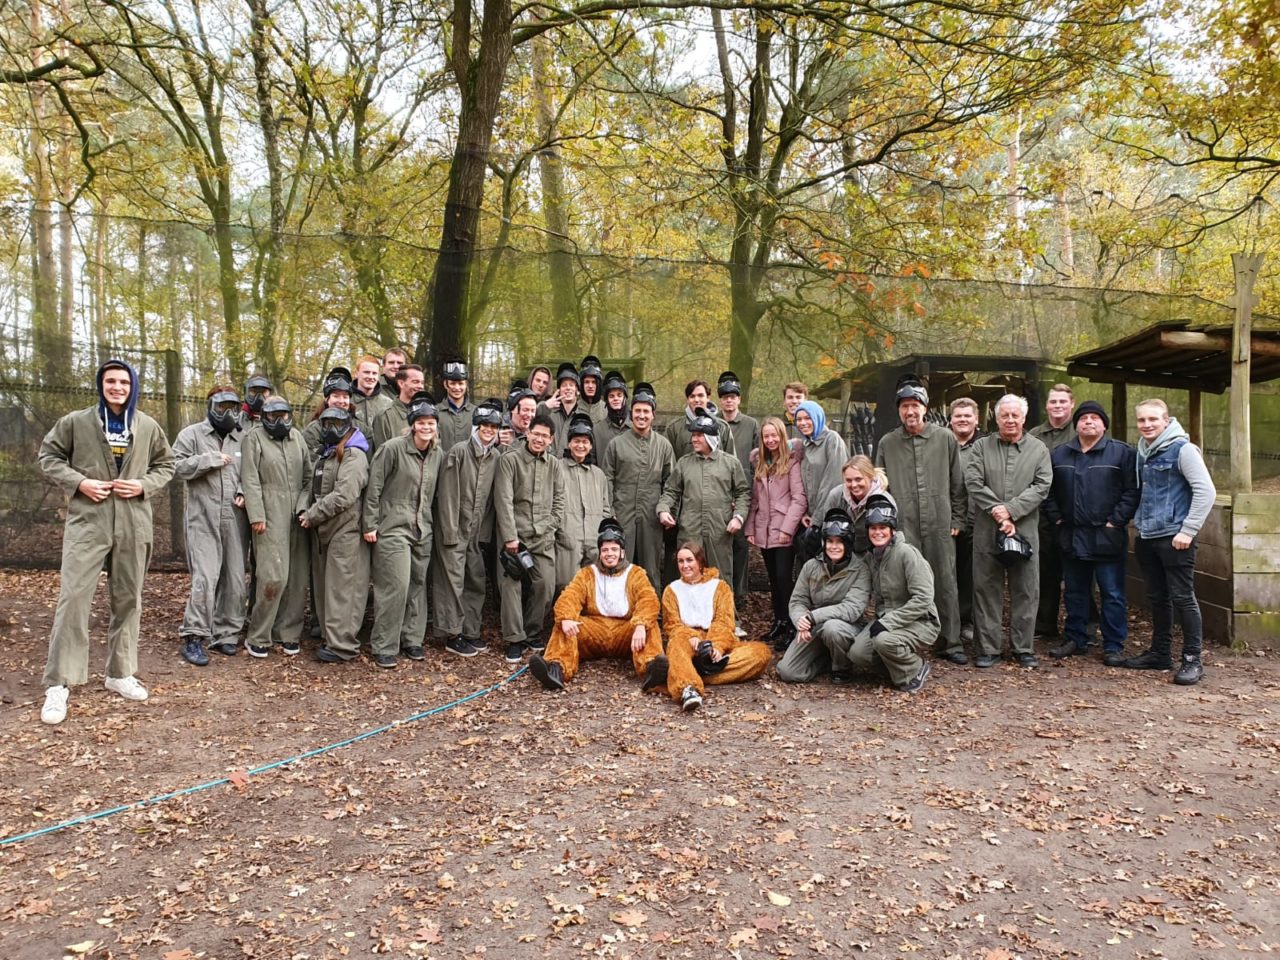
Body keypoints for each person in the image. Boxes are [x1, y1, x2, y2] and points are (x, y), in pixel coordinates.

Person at [39, 359, 175, 725]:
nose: (117, 387)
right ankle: (59, 683)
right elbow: (48, 456)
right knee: (74, 598)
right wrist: (80, 482)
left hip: (133, 522)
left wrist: (144, 484)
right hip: (88, 521)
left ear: (133, 387)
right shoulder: (76, 422)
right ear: (101, 384)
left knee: (128, 598)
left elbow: (167, 464)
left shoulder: (146, 425)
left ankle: (120, 673)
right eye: (111, 381)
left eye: (124, 382)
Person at [1122, 399, 1217, 685]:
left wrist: (1188, 530)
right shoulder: (1143, 451)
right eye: (1142, 420)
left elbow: (1206, 491)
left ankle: (1192, 659)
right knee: (1157, 597)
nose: (1147, 425)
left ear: (1166, 420)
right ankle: (1160, 653)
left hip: (1175, 538)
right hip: (1148, 536)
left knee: (1183, 597)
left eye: (1153, 419)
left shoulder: (1183, 450)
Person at [874, 382, 966, 664]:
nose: (910, 411)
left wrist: (958, 518)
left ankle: (950, 642)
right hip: (903, 526)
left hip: (940, 522)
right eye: (905, 407)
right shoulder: (888, 443)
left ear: (925, 408)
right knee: (903, 584)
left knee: (945, 581)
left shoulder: (945, 438)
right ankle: (903, 641)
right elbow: (879, 490)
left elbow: (958, 483)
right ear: (899, 411)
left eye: (915, 406)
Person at [1042, 400, 1138, 666]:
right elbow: (1048, 492)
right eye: (1084, 418)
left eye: (1095, 418)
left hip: (1107, 536)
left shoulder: (1121, 453)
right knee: (1074, 591)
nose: (1089, 422)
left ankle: (1113, 644)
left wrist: (1116, 521)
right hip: (1071, 535)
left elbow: (1132, 491)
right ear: (1077, 424)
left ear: (1104, 425)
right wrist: (1058, 519)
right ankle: (1075, 638)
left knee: (1112, 593)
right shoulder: (1060, 455)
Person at [965, 394, 1053, 668]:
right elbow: (973, 481)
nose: (1010, 420)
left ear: (1024, 418)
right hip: (986, 530)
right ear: (996, 417)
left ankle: (1022, 648)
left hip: (1025, 528)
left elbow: (1042, 485)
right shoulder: (981, 447)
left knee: (1026, 589)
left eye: (1016, 415)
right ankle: (988, 648)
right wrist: (997, 511)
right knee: (986, 588)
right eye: (1005, 415)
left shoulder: (1038, 449)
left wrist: (1012, 510)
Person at [527, 518, 665, 690]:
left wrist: (640, 625)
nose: (609, 554)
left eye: (614, 549)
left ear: (622, 552)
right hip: (595, 630)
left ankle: (651, 668)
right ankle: (557, 669)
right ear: (600, 553)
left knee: (650, 626)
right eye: (605, 550)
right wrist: (565, 618)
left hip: (626, 631)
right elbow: (570, 596)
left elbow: (649, 600)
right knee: (564, 623)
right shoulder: (587, 574)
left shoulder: (636, 573)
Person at [363, 393, 443, 668]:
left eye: (431, 422)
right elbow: (374, 488)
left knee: (418, 585)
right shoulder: (392, 449)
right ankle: (385, 644)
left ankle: (412, 640)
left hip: (423, 528)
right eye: (421, 422)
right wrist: (370, 524)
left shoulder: (437, 454)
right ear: (412, 425)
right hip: (392, 526)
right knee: (395, 585)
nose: (426, 427)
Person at [172, 385, 250, 665]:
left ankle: (225, 635)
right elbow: (174, 466)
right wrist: (208, 460)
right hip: (202, 516)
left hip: (234, 517)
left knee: (234, 580)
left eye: (232, 408)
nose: (227, 414)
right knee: (205, 577)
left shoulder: (242, 437)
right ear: (210, 407)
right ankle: (193, 636)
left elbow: (251, 471)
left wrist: (244, 490)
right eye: (221, 408)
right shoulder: (192, 434)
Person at [657, 542, 772, 711]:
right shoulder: (671, 590)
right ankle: (688, 688)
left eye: (690, 560)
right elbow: (672, 625)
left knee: (760, 653)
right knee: (676, 644)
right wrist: (690, 636)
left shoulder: (719, 587)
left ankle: (682, 671)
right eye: (681, 561)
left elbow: (724, 622)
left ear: (700, 561)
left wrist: (716, 646)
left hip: (714, 640)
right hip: (687, 640)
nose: (685, 565)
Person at [298, 406, 371, 663]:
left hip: (346, 529)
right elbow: (311, 486)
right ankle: (331, 637)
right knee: (328, 587)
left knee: (344, 590)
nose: (331, 428)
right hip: (325, 527)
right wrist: (304, 510)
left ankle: (343, 646)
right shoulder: (326, 454)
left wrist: (313, 514)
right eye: (326, 423)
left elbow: (345, 495)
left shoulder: (354, 455)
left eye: (336, 423)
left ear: (348, 425)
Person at [241, 398, 311, 658]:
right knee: (272, 576)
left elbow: (308, 477)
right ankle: (259, 634)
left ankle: (288, 633)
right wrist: (256, 514)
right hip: (269, 513)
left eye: (283, 415)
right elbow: (250, 478)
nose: (279, 421)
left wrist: (305, 507)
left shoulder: (298, 438)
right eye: (273, 416)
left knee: (296, 577)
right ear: (264, 417)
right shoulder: (254, 438)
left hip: (297, 516)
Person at [846, 493, 937, 692]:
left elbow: (923, 598)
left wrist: (887, 623)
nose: (878, 532)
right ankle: (895, 669)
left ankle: (915, 669)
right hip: (886, 620)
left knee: (884, 641)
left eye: (883, 528)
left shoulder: (907, 553)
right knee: (857, 654)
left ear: (892, 530)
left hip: (920, 621)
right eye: (873, 528)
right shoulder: (872, 559)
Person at [433, 399, 503, 656]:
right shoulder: (458, 452)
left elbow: (492, 501)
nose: (489, 430)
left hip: (476, 533)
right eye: (484, 425)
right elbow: (448, 495)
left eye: (494, 427)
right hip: (454, 529)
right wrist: (450, 532)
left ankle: (471, 631)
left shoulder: (495, 457)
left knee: (475, 580)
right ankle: (452, 633)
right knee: (452, 582)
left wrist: (483, 535)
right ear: (476, 426)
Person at [495, 413, 566, 663]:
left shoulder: (555, 465)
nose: (539, 439)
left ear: (551, 440)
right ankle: (514, 639)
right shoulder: (510, 460)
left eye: (544, 436)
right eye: (535, 434)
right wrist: (510, 538)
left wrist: (548, 527)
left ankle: (531, 633)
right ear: (527, 433)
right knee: (510, 585)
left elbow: (559, 502)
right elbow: (503, 501)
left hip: (543, 536)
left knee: (545, 584)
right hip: (514, 536)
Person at [657, 410, 750, 592]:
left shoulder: (730, 464)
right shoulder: (684, 463)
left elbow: (743, 493)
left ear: (711, 437)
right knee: (688, 575)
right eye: (693, 435)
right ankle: (686, 619)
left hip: (720, 531)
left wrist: (738, 517)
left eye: (699, 435)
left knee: (720, 578)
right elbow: (670, 491)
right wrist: (663, 509)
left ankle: (725, 619)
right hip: (690, 530)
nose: (694, 439)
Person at [776, 508, 870, 684]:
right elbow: (798, 600)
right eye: (830, 541)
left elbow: (852, 609)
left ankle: (841, 667)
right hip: (814, 628)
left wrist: (813, 616)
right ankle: (826, 660)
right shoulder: (811, 566)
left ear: (848, 543)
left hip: (846, 627)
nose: (834, 547)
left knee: (832, 628)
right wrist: (800, 621)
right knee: (787, 672)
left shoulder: (861, 569)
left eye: (839, 542)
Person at [601, 381, 674, 595]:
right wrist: (610, 513)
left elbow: (671, 484)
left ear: (653, 415)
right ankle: (617, 612)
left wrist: (664, 508)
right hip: (622, 514)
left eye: (646, 411)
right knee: (620, 564)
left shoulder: (663, 446)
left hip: (652, 515)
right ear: (631, 413)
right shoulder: (616, 444)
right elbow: (607, 479)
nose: (641, 415)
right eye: (637, 411)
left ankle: (651, 613)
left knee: (651, 568)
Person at [746, 416, 806, 648]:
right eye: (766, 436)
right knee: (772, 578)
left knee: (784, 577)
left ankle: (792, 623)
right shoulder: (760, 463)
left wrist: (787, 528)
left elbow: (798, 499)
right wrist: (750, 527)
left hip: (783, 529)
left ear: (782, 437)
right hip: (764, 528)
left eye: (774, 435)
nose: (771, 440)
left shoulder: (791, 462)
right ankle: (779, 620)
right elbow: (755, 500)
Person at [1029, 383, 1077, 643]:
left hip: (1073, 512)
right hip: (1042, 513)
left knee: (1078, 574)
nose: (1058, 406)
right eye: (1053, 402)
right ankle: (1045, 624)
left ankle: (1082, 627)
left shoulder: (1080, 430)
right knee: (1045, 571)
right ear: (1047, 406)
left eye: (1063, 401)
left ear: (1071, 404)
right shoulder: (1035, 435)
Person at [718, 371, 759, 623]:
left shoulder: (751, 425)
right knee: (721, 543)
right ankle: (722, 591)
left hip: (743, 492)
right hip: (719, 491)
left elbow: (756, 461)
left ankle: (740, 591)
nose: (729, 401)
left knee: (741, 545)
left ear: (739, 399)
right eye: (725, 397)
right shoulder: (715, 424)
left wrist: (750, 493)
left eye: (733, 397)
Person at [557, 414, 612, 591]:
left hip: (593, 541)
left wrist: (600, 535)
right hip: (567, 539)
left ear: (591, 446)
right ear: (569, 443)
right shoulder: (557, 468)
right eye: (576, 441)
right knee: (567, 586)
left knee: (593, 588)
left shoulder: (598, 474)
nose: (581, 445)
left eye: (585, 442)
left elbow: (606, 508)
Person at [949, 397, 984, 644]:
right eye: (958, 416)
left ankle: (967, 619)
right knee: (945, 571)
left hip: (976, 519)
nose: (962, 420)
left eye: (967, 416)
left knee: (970, 573)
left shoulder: (985, 445)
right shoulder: (941, 443)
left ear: (976, 419)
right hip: (945, 519)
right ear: (950, 419)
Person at [794, 400, 848, 538]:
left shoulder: (832, 440)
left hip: (830, 517)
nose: (803, 423)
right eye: (799, 419)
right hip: (810, 519)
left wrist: (817, 519)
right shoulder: (804, 445)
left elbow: (833, 482)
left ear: (817, 417)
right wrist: (804, 513)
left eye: (807, 418)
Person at [818, 455, 888, 557]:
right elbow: (826, 533)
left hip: (874, 556)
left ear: (870, 477)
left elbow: (891, 538)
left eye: (858, 479)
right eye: (849, 480)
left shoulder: (884, 500)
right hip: (842, 554)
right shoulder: (835, 496)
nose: (854, 485)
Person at [665, 380, 735, 460]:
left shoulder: (722, 427)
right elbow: (669, 464)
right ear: (688, 399)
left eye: (700, 395)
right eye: (692, 396)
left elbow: (731, 462)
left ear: (708, 398)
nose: (696, 400)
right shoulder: (674, 428)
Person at [371, 363, 426, 448]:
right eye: (415, 382)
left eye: (422, 383)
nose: (420, 386)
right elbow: (382, 454)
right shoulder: (384, 416)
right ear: (401, 383)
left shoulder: (428, 414)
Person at [303, 367, 353, 458]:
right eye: (336, 396)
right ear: (327, 399)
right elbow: (310, 463)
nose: (341, 401)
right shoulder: (314, 430)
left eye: (345, 397)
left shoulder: (360, 427)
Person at [351, 354, 394, 440]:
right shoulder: (345, 401)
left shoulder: (389, 404)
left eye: (374, 373)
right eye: (366, 372)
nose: (371, 377)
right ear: (356, 373)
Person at [437, 358, 475, 452]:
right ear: (445, 384)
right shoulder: (434, 412)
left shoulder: (476, 412)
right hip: (443, 465)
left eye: (461, 383)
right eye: (453, 383)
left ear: (466, 385)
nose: (457, 387)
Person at [539, 362, 586, 437]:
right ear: (559, 390)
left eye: (571, 385)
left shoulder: (584, 416)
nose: (568, 388)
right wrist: (545, 406)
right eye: (564, 385)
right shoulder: (549, 413)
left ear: (577, 391)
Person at [596, 370, 630, 456]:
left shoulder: (635, 428)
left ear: (625, 398)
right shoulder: (597, 430)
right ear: (606, 400)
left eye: (619, 395)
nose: (616, 399)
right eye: (611, 396)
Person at [500, 382, 538, 448]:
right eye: (525, 410)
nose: (529, 415)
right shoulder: (496, 431)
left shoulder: (537, 436)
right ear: (512, 409)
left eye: (532, 411)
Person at [579, 354, 607, 424]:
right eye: (587, 382)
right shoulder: (573, 409)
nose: (590, 386)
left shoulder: (607, 410)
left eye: (594, 382)